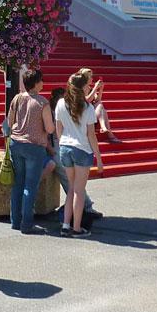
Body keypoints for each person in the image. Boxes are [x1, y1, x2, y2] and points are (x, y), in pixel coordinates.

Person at [6, 68, 54, 234]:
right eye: (41, 80)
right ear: (36, 83)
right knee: (30, 185)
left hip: (16, 142)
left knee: (18, 183)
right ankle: (26, 223)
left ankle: (15, 221)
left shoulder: (17, 98)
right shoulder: (42, 102)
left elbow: (9, 122)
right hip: (34, 145)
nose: (43, 83)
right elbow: (49, 128)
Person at [56, 71, 103, 236]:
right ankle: (76, 228)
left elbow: (58, 129)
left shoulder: (61, 103)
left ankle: (66, 225)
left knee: (71, 188)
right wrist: (99, 158)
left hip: (65, 146)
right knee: (79, 190)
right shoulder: (88, 108)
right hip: (82, 148)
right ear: (83, 88)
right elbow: (91, 135)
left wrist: (63, 142)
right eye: (88, 85)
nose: (89, 87)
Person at [81, 68, 123, 143]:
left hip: (91, 114)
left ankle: (104, 128)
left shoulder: (90, 88)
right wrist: (95, 88)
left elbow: (97, 100)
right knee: (101, 107)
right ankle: (108, 132)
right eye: (90, 76)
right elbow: (87, 100)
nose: (92, 78)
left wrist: (100, 89)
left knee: (100, 105)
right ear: (86, 78)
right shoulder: (80, 88)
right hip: (83, 115)